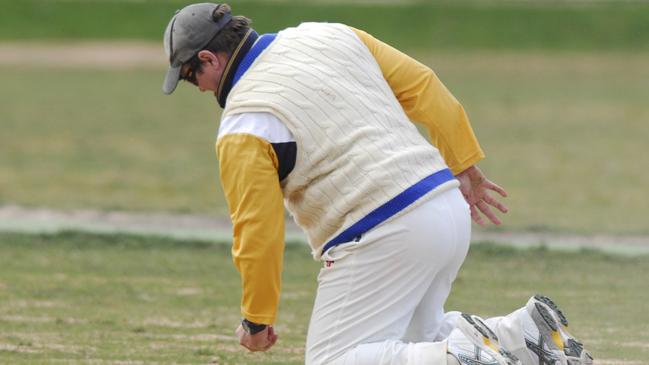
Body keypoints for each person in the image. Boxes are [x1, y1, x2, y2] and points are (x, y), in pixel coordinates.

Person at [161, 3, 593, 365]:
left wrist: (257, 318)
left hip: (382, 230)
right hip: (443, 201)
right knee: (415, 335)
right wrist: (464, 163)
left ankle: (459, 357)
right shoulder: (328, 34)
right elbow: (423, 84)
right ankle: (524, 334)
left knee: (334, 359)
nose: (196, 89)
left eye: (188, 76)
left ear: (209, 59)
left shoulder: (243, 122)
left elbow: (257, 228)